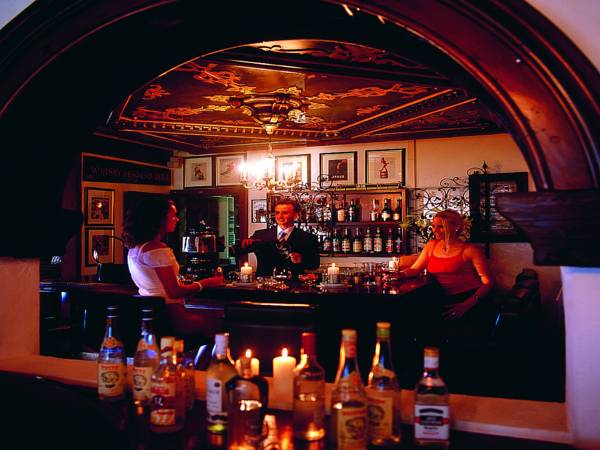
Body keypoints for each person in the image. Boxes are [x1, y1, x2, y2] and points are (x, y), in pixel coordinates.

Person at [122, 197, 226, 340]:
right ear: (159, 219)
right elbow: (174, 291)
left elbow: (159, 287)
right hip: (170, 315)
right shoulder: (157, 249)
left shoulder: (135, 249)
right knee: (224, 323)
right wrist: (207, 282)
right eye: (173, 216)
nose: (177, 219)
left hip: (150, 314)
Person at [400, 209, 494, 340]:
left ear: (456, 227)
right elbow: (415, 269)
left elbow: (488, 283)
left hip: (470, 299)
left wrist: (465, 306)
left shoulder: (470, 250)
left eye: (441, 227)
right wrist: (399, 275)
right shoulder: (431, 245)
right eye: (433, 226)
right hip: (443, 299)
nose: (435, 230)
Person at [240, 199, 320, 278]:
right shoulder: (260, 235)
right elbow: (238, 251)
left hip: (294, 284)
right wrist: (244, 244)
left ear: (295, 216)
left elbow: (314, 265)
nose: (280, 216)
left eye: (285, 213)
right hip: (265, 283)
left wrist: (301, 259)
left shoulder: (308, 238)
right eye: (277, 213)